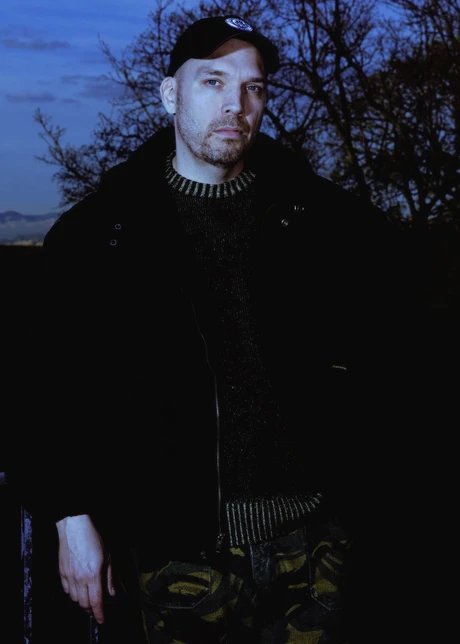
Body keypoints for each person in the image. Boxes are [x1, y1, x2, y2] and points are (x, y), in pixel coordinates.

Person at [16, 14, 423, 644]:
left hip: (314, 547)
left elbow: (398, 360)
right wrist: (69, 518)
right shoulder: (100, 236)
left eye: (252, 87)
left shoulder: (324, 222)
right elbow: (45, 387)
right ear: (170, 94)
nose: (235, 104)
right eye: (212, 82)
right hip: (175, 553)